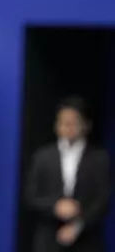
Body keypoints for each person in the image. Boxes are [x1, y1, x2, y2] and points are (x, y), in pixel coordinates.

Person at [25, 96, 111, 252]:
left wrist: (78, 225)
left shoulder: (100, 159)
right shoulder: (42, 156)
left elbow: (103, 200)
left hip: (86, 241)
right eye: (63, 122)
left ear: (86, 125)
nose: (67, 126)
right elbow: (32, 195)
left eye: (73, 122)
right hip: (48, 241)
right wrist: (55, 206)